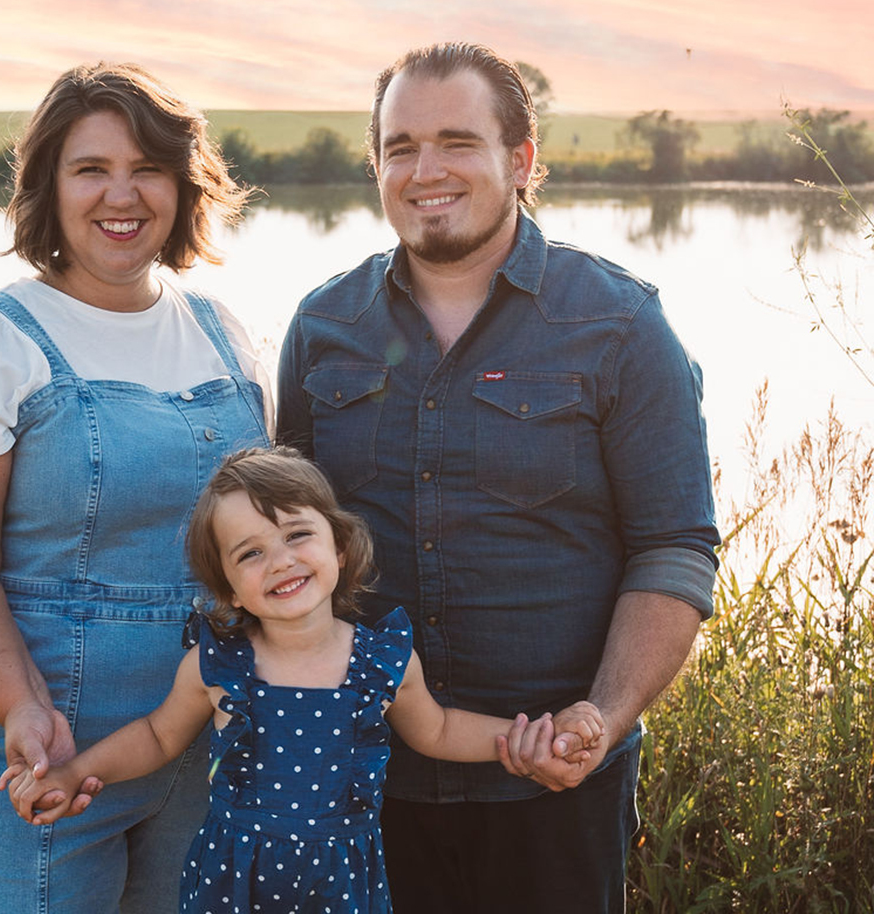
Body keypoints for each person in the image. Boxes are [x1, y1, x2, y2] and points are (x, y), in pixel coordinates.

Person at [276, 42, 721, 913]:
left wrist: (604, 713)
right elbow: (287, 544)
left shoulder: (619, 325)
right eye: (399, 147)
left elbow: (675, 547)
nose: (424, 170)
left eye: (456, 142)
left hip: (555, 786)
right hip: (367, 781)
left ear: (520, 161)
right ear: (375, 166)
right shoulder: (324, 325)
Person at [0, 62, 269, 913]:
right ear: (48, 188)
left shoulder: (222, 332)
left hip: (189, 755)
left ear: (183, 186)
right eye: (91, 169)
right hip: (18, 753)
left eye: (148, 169)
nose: (120, 195)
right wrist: (21, 707)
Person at [0, 446, 605, 913]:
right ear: (229, 588)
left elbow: (440, 730)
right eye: (250, 553)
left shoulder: (381, 661)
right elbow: (158, 737)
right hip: (234, 878)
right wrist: (78, 771)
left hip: (342, 880)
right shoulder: (218, 665)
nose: (282, 560)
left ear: (339, 547)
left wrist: (526, 739)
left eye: (297, 535)